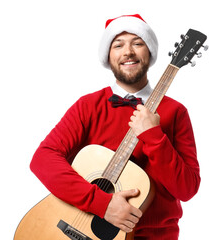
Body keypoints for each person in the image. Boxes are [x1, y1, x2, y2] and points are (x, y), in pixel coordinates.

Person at [30, 14, 200, 239]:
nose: (128, 52)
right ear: (108, 56)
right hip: (76, 226)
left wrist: (154, 136)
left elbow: (187, 189)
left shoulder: (176, 112)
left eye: (138, 43)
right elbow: (43, 159)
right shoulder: (88, 106)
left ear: (149, 51)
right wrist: (102, 203)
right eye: (118, 45)